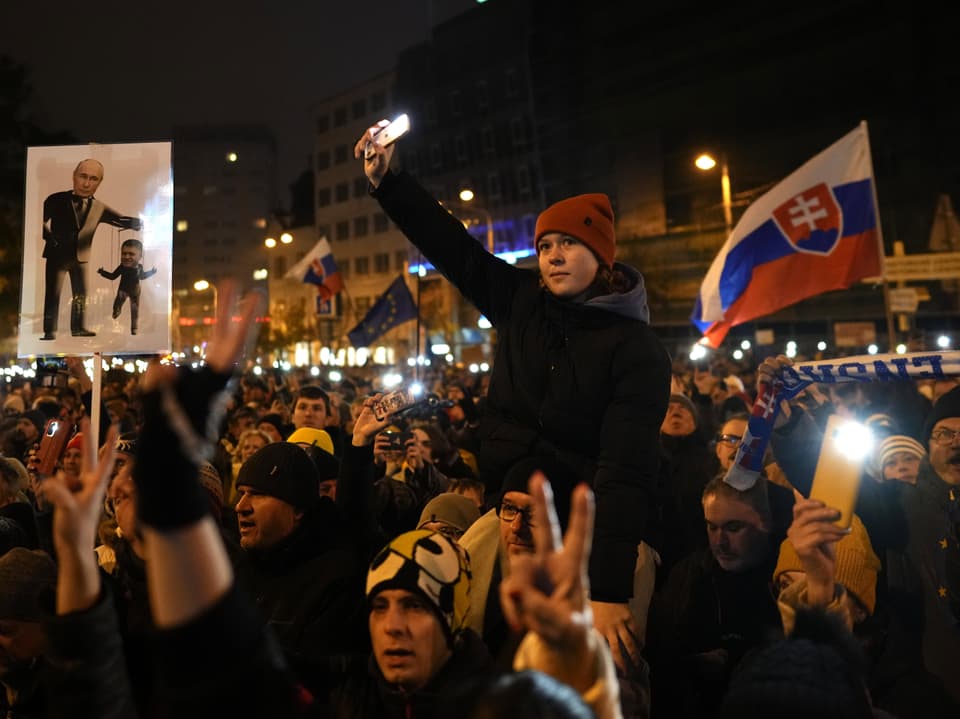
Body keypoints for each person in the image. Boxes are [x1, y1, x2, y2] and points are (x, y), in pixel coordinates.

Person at [356, 122, 672, 672]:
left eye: (570, 243)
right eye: (546, 244)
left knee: (600, 669)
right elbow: (454, 248)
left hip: (586, 532)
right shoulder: (521, 300)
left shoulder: (635, 348)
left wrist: (609, 591)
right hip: (506, 514)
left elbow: (626, 470)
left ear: (602, 256)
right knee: (469, 633)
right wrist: (391, 182)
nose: (553, 255)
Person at [40, 158, 142, 340]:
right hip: (57, 256)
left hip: (82, 257)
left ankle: (78, 328)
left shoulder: (99, 207)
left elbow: (119, 219)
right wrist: (51, 238)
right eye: (83, 176)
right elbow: (39, 221)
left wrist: (138, 221)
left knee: (81, 295)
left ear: (99, 182)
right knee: (52, 294)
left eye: (93, 179)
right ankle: (49, 331)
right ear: (74, 176)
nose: (87, 183)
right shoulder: (55, 199)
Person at [97, 238, 157, 335]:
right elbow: (113, 276)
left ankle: (134, 329)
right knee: (117, 304)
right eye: (124, 254)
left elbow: (142, 276)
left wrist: (151, 272)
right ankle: (116, 311)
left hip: (135, 292)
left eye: (131, 254)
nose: (126, 257)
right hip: (123, 290)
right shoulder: (122, 266)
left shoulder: (139, 268)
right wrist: (102, 272)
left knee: (134, 311)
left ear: (140, 256)